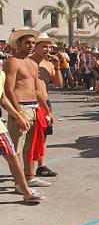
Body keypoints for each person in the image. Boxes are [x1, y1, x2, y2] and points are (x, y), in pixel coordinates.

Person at [3, 28, 55, 190]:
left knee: (31, 146)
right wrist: (18, 113)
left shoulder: (32, 64)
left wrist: (47, 110)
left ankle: (30, 177)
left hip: (34, 108)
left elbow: (37, 90)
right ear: (18, 44)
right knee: (16, 149)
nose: (31, 46)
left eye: (33, 43)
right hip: (21, 108)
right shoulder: (12, 62)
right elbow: (8, 90)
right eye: (27, 43)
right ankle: (19, 183)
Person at [30, 33, 62, 178]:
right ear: (36, 46)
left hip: (45, 102)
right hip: (31, 102)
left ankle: (41, 166)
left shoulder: (49, 64)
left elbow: (59, 84)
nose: (47, 49)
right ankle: (27, 169)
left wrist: (57, 67)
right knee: (30, 138)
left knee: (43, 137)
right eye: (44, 46)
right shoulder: (28, 62)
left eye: (49, 46)